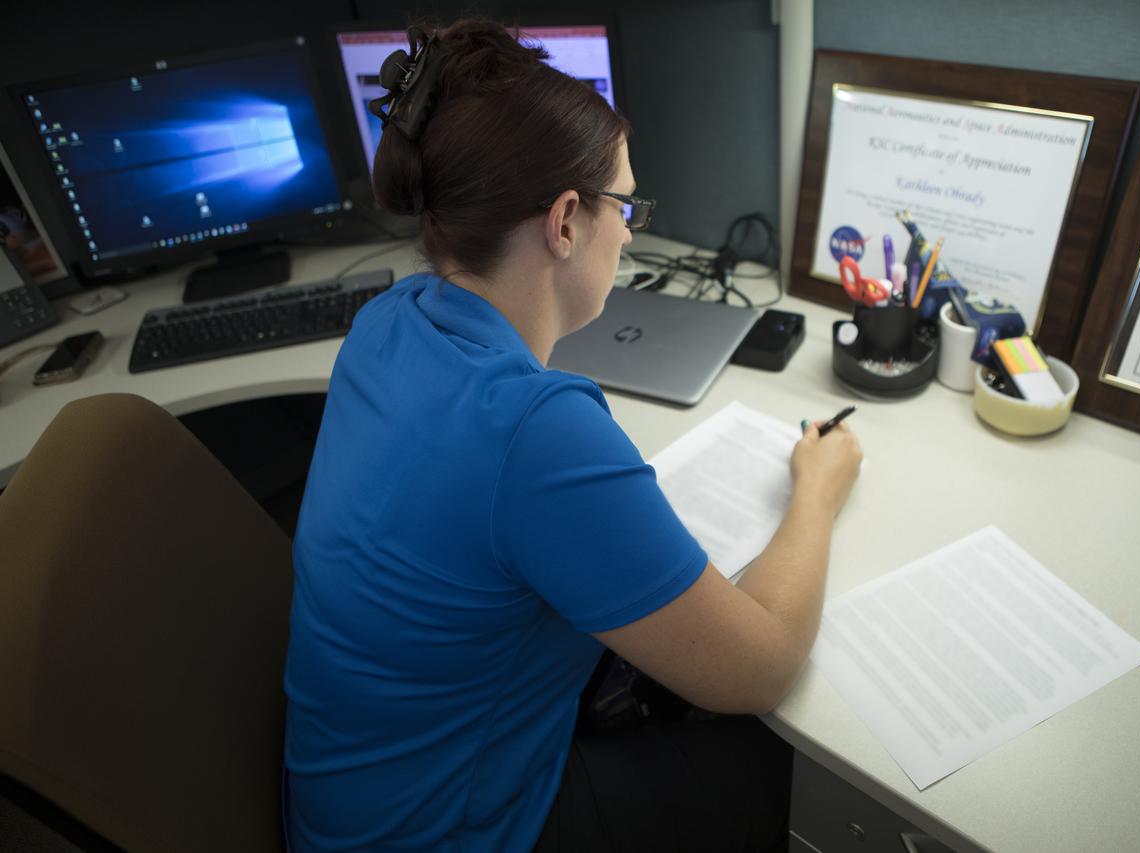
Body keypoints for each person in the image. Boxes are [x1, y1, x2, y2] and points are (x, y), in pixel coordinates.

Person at [282, 17, 862, 853]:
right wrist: (816, 489)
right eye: (625, 205)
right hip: (444, 833)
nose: (630, 231)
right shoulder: (536, 430)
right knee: (767, 749)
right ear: (563, 222)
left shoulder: (383, 324)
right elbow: (763, 664)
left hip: (346, 803)